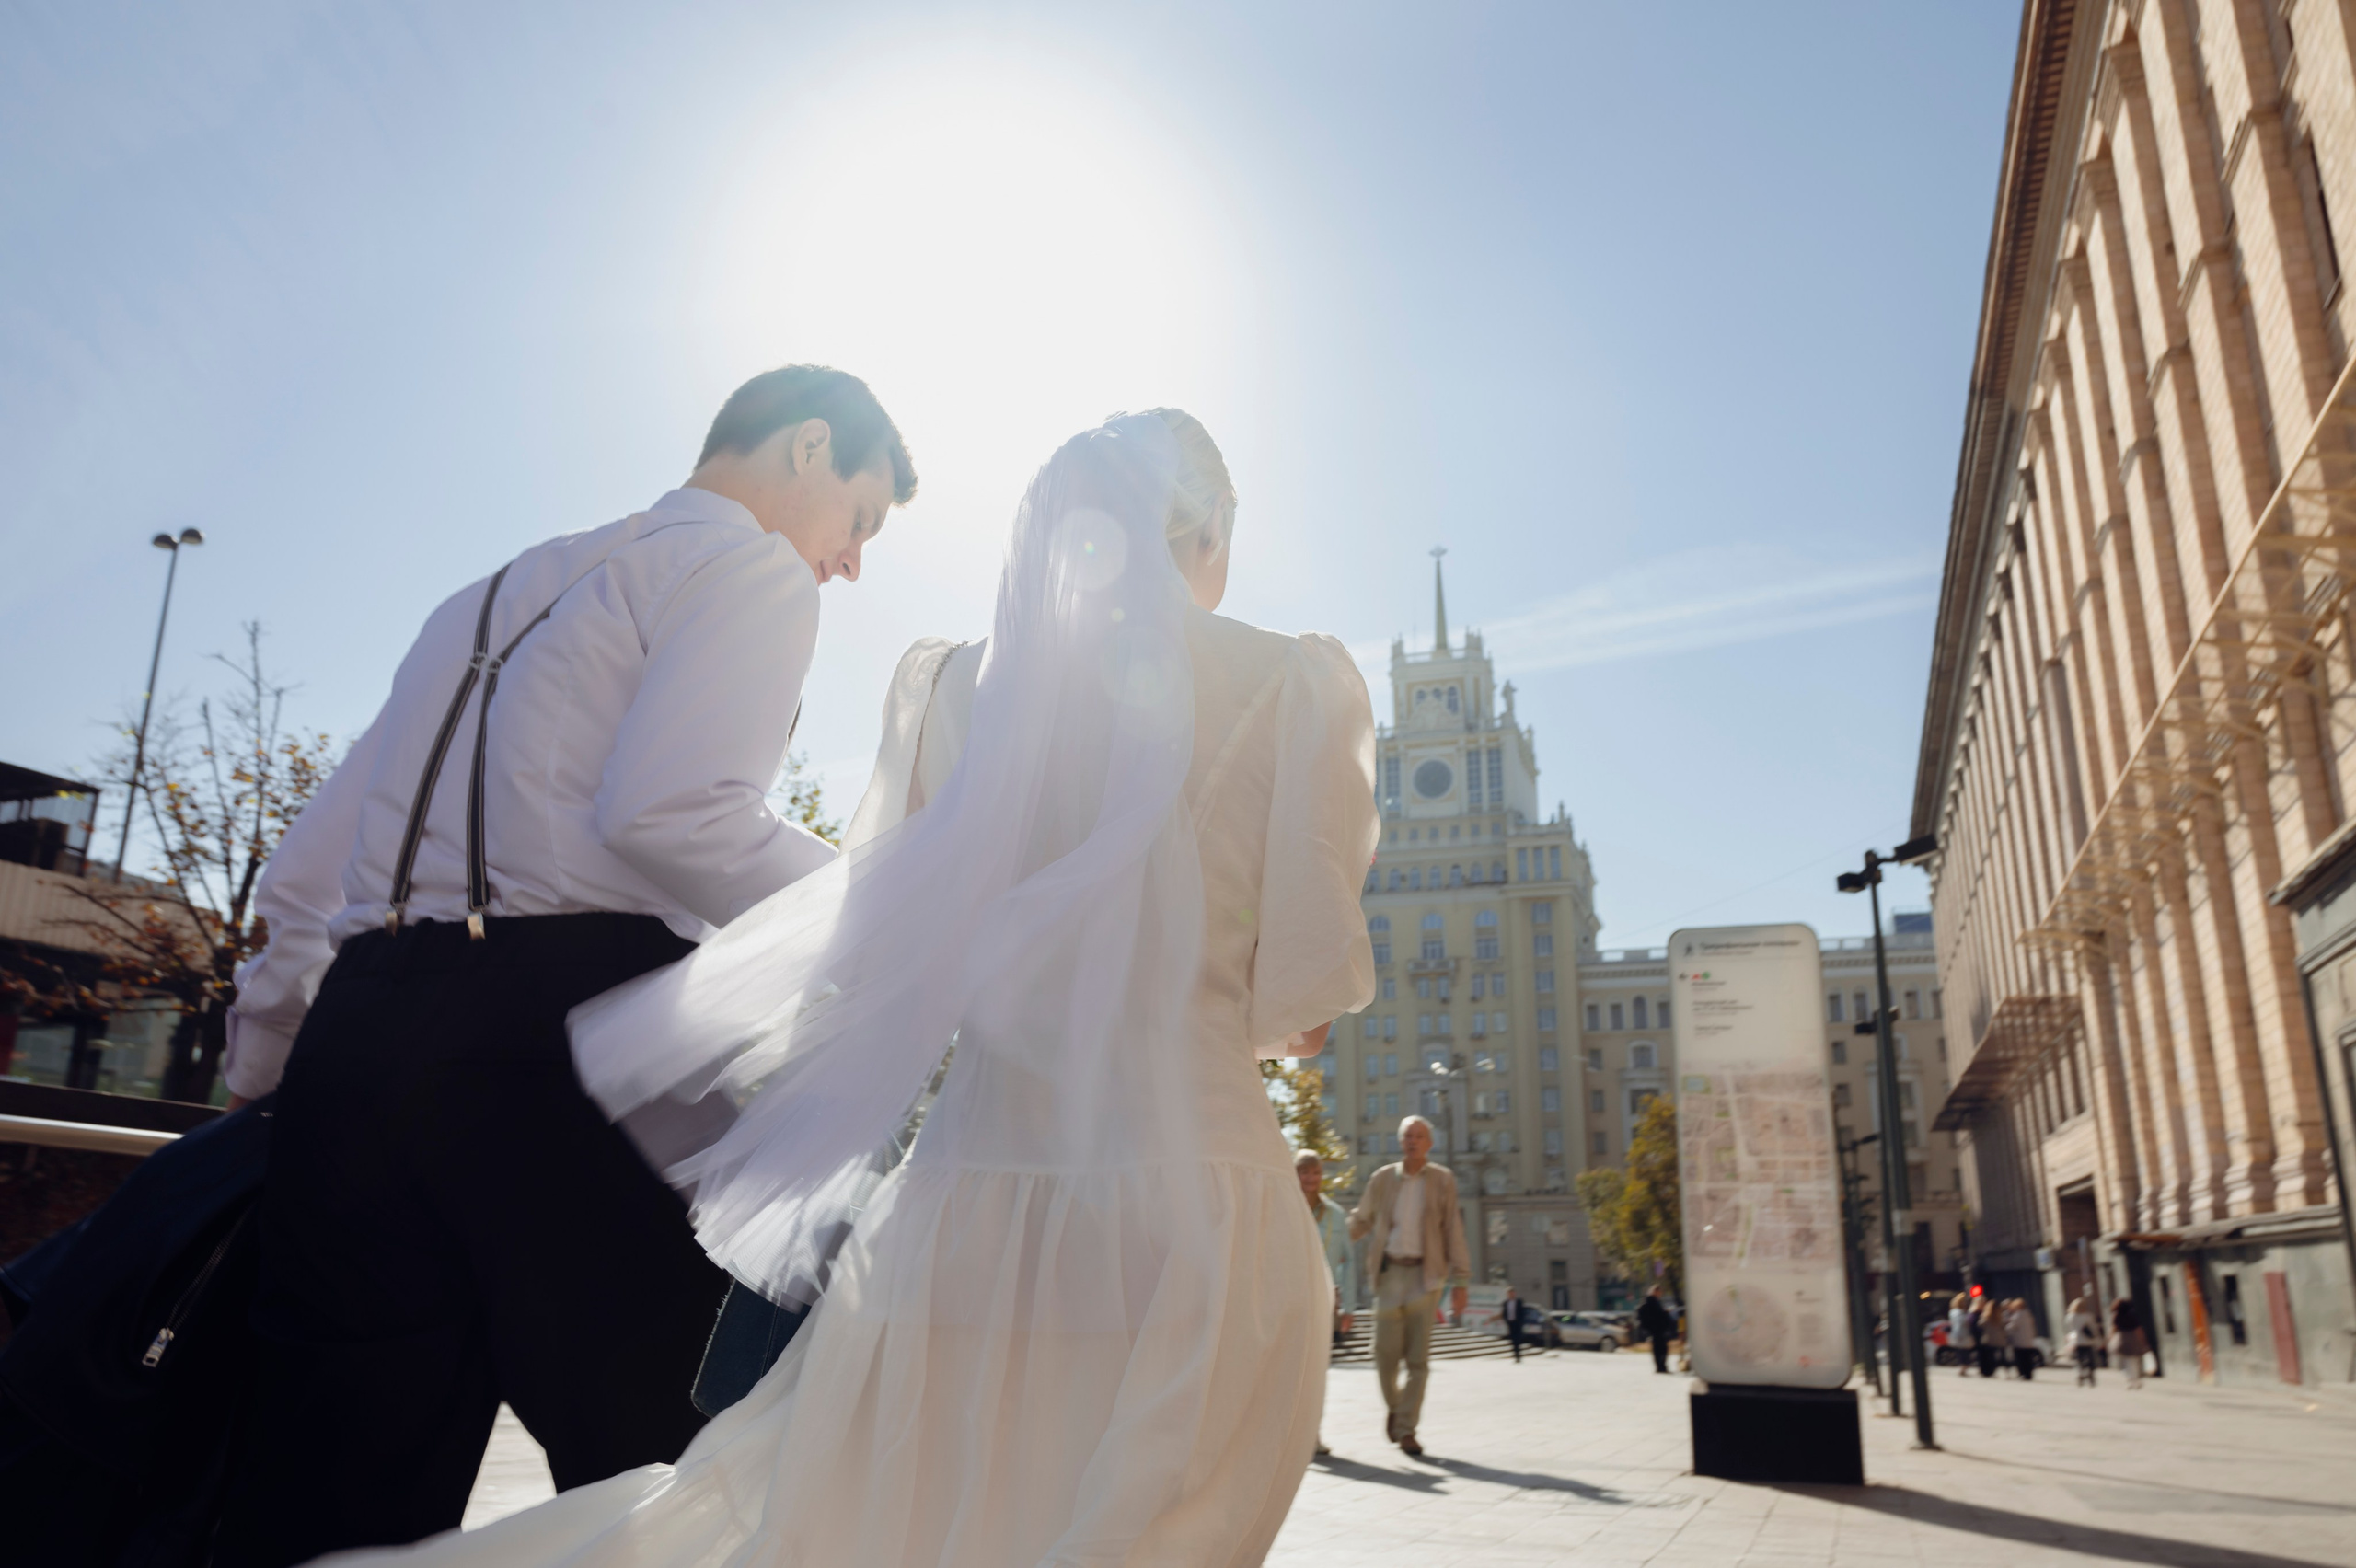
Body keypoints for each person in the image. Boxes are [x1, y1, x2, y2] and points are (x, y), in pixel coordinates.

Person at [333, 409, 1381, 1567]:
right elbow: (1303, 997)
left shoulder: (945, 690)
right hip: (1193, 1209)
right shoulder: (1295, 685)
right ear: (1210, 525)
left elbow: (896, 937)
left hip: (958, 1216)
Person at [210, 367, 915, 1567]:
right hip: (567, 1048)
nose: (848, 563)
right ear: (809, 447)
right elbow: (675, 814)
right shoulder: (744, 567)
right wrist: (900, 910)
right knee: (687, 1480)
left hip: (357, 1048)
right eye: (860, 520)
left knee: (331, 1500)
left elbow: (307, 871)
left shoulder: (483, 597)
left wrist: (268, 1059)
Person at [1348, 1114, 1472, 1458]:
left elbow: (1453, 1230)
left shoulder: (1443, 1180)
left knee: (1418, 1360)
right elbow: (1362, 1219)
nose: (1413, 1141)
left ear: (1429, 1144)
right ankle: (1397, 1408)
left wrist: (1461, 1280)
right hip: (1390, 1275)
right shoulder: (1382, 1178)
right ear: (1400, 1142)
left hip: (1425, 1278)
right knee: (1384, 1355)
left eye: (1419, 1136)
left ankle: (1406, 1429)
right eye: (1407, 1136)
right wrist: (1332, 1245)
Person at [1298, 1149, 1357, 1456]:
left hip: (1323, 1302)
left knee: (1317, 1371)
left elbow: (1348, 1261)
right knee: (1288, 1369)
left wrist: (1349, 1306)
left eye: (1316, 1172)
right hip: (1289, 1300)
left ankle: (1313, 1434)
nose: (1311, 1178)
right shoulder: (1284, 1209)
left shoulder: (1335, 1214)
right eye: (1304, 1172)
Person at [2110, 1295, 2148, 1389]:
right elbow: (2138, 1329)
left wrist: (2111, 1339)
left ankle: (2130, 1380)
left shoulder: (2116, 1316)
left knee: (2125, 1361)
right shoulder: (2132, 1315)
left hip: (2121, 1339)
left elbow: (2113, 1329)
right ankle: (2136, 1380)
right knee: (2134, 1360)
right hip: (2132, 1339)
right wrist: (2143, 1340)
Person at [1637, 1284, 1676, 1374]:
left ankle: (1661, 1367)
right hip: (1657, 1329)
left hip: (1657, 1329)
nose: (1660, 1294)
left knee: (1661, 1348)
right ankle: (1661, 1367)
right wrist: (1665, 1313)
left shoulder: (1654, 1301)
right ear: (1655, 1292)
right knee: (1660, 1349)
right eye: (1659, 1292)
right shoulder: (1651, 1302)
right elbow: (1657, 1315)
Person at [2064, 1296, 2101, 1387]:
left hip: (2076, 1342)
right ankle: (2090, 1375)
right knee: (2090, 1360)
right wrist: (2097, 1339)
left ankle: (2080, 1374)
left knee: (2079, 1360)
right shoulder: (2088, 1316)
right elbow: (2094, 1328)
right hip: (2088, 1342)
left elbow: (2069, 1330)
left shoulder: (2070, 1317)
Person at [2004, 1297, 2042, 1379]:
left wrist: (2004, 1329)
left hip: (2019, 1341)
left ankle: (2023, 1373)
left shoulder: (2017, 1315)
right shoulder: (2028, 1314)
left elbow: (2012, 1326)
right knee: (2028, 1359)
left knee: (2021, 1359)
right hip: (2028, 1341)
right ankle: (2029, 1374)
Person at [1946, 1292, 1978, 1377]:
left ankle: (1963, 1367)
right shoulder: (1962, 1313)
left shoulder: (1953, 1312)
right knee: (1964, 1352)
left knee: (1960, 1352)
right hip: (1962, 1334)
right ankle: (1964, 1367)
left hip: (1957, 1333)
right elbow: (1962, 1324)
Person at [1973, 1296, 2004, 1378]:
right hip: (1999, 1339)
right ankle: (1993, 1370)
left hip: (1988, 1339)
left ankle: (1987, 1371)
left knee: (1987, 1356)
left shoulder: (1986, 1316)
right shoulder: (2000, 1316)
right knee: (1996, 1356)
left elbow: (1980, 1325)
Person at [1502, 1286, 1530, 1362]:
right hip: (1510, 1323)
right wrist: (1506, 1321)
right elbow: (1504, 1313)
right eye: (1509, 1293)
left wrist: (1521, 1322)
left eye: (1512, 1293)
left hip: (1517, 1323)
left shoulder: (1519, 1302)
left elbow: (1522, 1313)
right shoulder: (1506, 1303)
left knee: (1518, 1339)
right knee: (1513, 1339)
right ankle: (1516, 1355)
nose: (1511, 1294)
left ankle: (1518, 1356)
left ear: (1514, 1293)